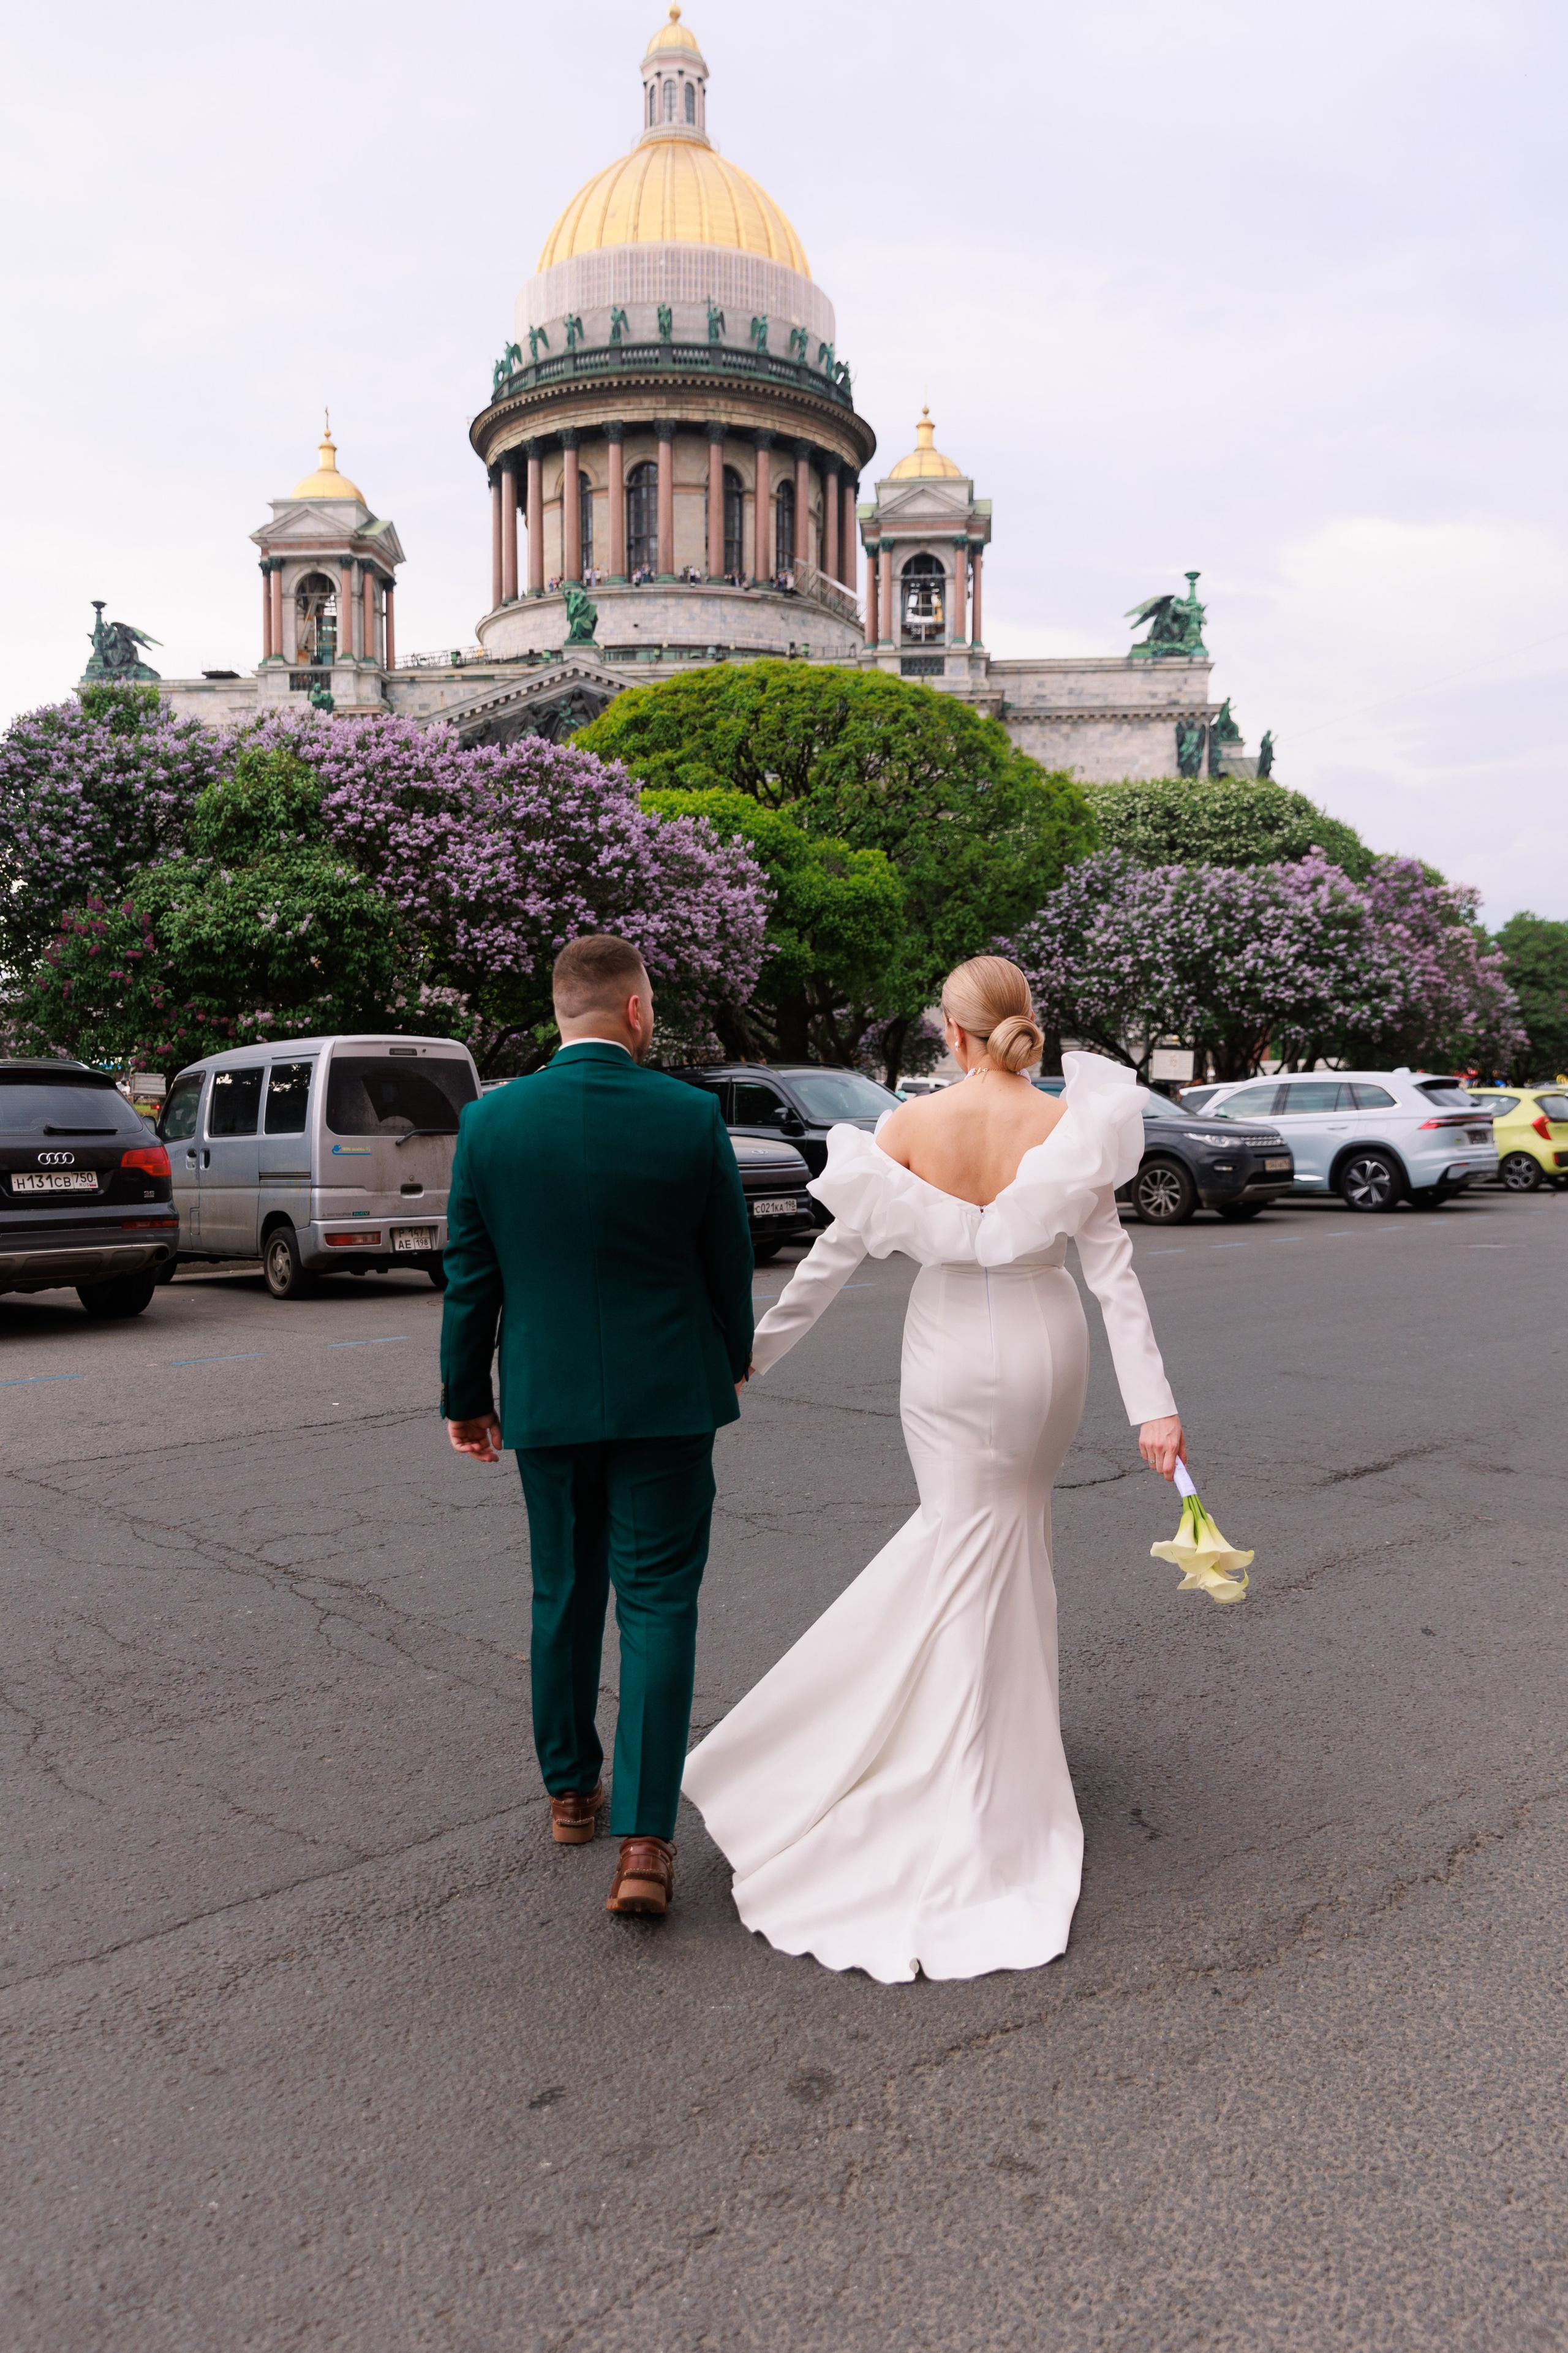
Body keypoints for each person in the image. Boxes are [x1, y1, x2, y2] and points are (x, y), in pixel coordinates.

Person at [683, 956, 1186, 1983]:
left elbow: (827, 1263)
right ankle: (1003, 1746)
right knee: (1010, 1535)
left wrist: (753, 1355)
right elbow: (1113, 1273)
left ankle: (962, 1752)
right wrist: (1155, 1405)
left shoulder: (905, 1133)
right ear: (1018, 1026)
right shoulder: (1069, 1126)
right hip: (1048, 1353)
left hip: (951, 1351)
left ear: (950, 1035)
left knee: (965, 1534)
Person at [441, 935, 755, 1919]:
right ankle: (648, 1843)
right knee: (659, 1603)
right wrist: (732, 1347)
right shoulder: (690, 1115)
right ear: (633, 1011)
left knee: (562, 1587)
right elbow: (728, 1259)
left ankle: (573, 1789)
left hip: (546, 1396)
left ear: (557, 1011)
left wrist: (466, 1397)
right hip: (668, 1393)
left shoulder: (489, 1125)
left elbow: (470, 1277)